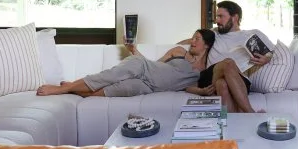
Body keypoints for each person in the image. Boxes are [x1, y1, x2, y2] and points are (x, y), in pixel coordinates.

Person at [36, 29, 215, 98]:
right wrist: (133, 50)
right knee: (110, 77)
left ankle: (73, 89)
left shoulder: (203, 70)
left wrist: (201, 92)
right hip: (145, 69)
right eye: (192, 37)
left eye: (197, 39)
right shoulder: (179, 51)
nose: (192, 41)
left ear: (206, 44)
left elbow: (186, 87)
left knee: (111, 91)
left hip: (148, 87)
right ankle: (63, 89)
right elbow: (153, 64)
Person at [183, 0, 275, 113]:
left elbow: (273, 51)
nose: (217, 21)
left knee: (222, 83)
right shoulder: (214, 33)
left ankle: (230, 121)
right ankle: (250, 113)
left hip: (238, 80)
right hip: (211, 77)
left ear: (235, 18)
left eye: (221, 16)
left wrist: (267, 59)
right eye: (217, 17)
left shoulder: (252, 34)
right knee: (228, 63)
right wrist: (176, 47)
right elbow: (193, 40)